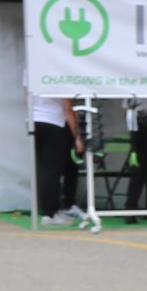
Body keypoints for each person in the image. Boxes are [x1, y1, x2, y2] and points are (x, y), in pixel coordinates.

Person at [30, 93, 84, 223]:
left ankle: (50, 210)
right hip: (54, 122)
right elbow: (68, 108)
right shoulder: (58, 74)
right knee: (52, 170)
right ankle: (50, 213)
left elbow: (26, 97)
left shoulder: (29, 72)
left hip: (35, 120)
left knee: (45, 169)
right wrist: (77, 136)